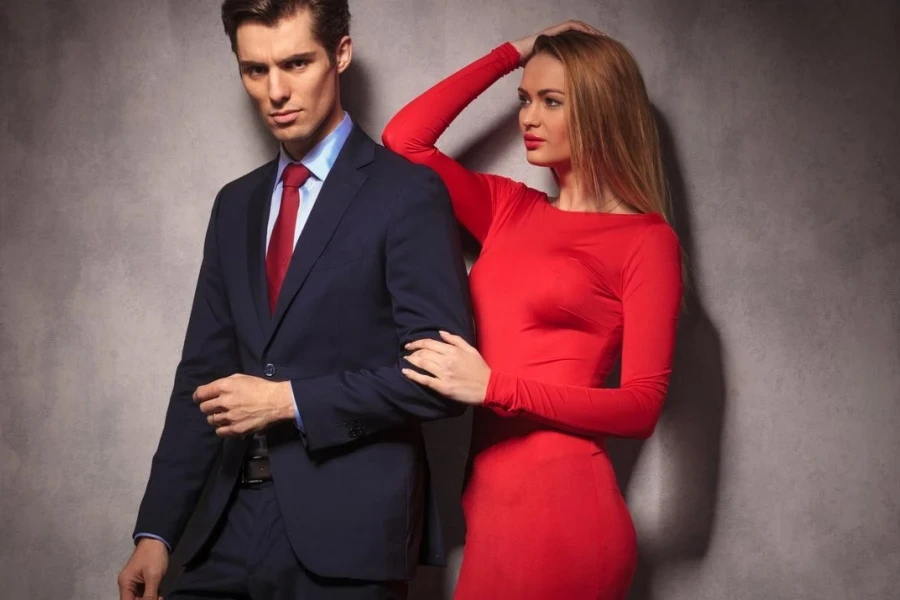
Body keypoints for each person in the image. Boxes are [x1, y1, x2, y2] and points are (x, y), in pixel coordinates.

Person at [117, 1, 474, 598]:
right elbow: (201, 377)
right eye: (255, 70)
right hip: (225, 527)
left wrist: (288, 402)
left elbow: (440, 380)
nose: (276, 91)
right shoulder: (235, 205)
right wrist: (155, 532)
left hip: (349, 537)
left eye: (296, 63)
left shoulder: (407, 194)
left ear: (340, 54)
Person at [382, 21, 683, 600]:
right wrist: (516, 52)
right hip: (491, 510)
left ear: (599, 110)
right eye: (524, 99)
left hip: (566, 516)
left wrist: (495, 386)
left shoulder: (646, 240)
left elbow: (641, 406)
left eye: (551, 101)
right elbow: (405, 140)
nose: (527, 117)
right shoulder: (507, 206)